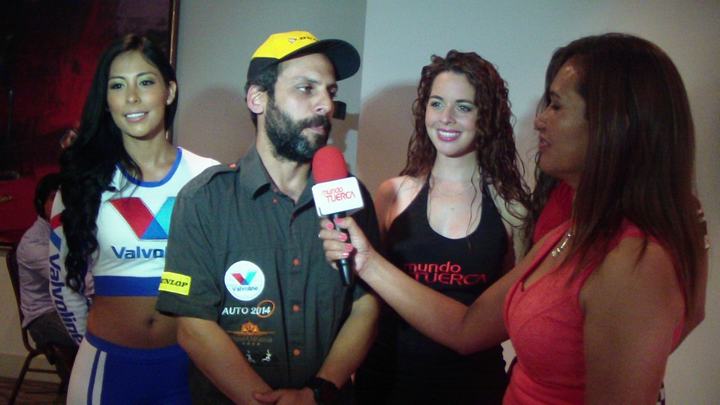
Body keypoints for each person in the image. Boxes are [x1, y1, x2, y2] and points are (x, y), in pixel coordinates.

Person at [321, 33, 706, 404]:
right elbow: (466, 328)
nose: (539, 120)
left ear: (612, 122)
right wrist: (366, 260)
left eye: (557, 105)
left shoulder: (634, 258)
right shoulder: (564, 234)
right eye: (436, 103)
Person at [155, 30, 381, 405]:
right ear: (258, 98)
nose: (326, 104)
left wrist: (318, 392)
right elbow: (193, 325)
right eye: (307, 88)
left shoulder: (351, 197)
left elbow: (365, 304)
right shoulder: (203, 200)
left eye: (331, 91)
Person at [48, 34, 218, 404]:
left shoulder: (209, 177)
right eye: (117, 86)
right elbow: (63, 283)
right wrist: (89, 343)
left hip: (191, 369)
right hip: (107, 367)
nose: (132, 98)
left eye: (145, 82)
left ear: (169, 91)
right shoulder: (81, 184)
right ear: (106, 100)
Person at [357, 50, 529, 404]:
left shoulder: (512, 209)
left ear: (487, 116)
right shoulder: (393, 194)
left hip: (472, 389)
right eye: (437, 104)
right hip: (386, 384)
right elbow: (366, 301)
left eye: (463, 107)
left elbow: (514, 313)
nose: (446, 118)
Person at [17, 173, 77, 387]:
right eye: (53, 198)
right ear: (41, 203)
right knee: (97, 336)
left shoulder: (70, 232)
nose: (60, 203)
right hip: (43, 315)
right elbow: (70, 280)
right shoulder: (33, 243)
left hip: (70, 305)